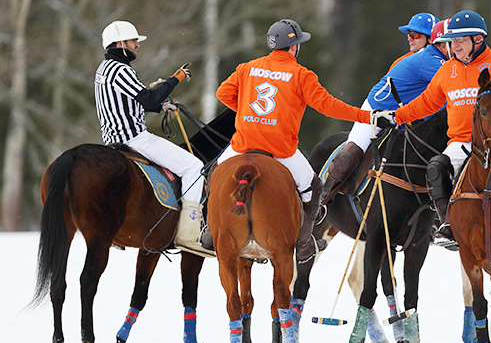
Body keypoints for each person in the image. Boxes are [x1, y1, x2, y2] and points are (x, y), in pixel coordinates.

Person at [373, 10, 491, 241]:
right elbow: (425, 104)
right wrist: (395, 117)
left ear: (478, 39)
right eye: (451, 41)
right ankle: (448, 223)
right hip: (461, 140)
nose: (454, 46)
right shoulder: (447, 71)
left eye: (459, 40)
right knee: (435, 169)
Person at [214, 18, 386, 263]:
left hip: (242, 144)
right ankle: (305, 242)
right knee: (314, 187)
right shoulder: (301, 74)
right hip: (280, 150)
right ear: (293, 47)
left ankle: (210, 231)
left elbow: (223, 93)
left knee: (213, 175)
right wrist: (367, 115)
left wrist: (246, 112)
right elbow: (329, 106)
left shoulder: (246, 68)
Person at [94, 20, 214, 258]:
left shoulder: (103, 69)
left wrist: (162, 106)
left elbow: (131, 102)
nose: (137, 45)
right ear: (120, 43)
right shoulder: (121, 69)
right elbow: (147, 99)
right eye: (133, 41)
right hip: (134, 140)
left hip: (110, 142)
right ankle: (189, 233)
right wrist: (175, 78)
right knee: (194, 166)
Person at [323, 18, 450, 197]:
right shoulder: (428, 60)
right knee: (349, 156)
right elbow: (453, 90)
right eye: (409, 35)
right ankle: (321, 202)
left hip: (404, 119)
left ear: (432, 38)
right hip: (376, 112)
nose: (410, 38)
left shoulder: (435, 60)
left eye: (415, 35)